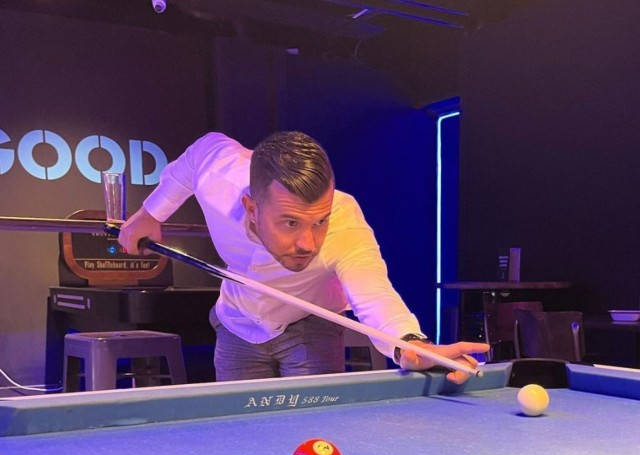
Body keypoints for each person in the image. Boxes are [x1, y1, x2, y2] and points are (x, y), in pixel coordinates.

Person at [118, 131, 489, 383]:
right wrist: (150, 214)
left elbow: (374, 293)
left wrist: (411, 345)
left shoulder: (344, 221)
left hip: (310, 322)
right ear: (251, 208)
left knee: (313, 435)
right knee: (242, 436)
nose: (308, 243)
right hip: (238, 321)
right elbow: (200, 152)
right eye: (291, 223)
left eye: (319, 221)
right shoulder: (221, 180)